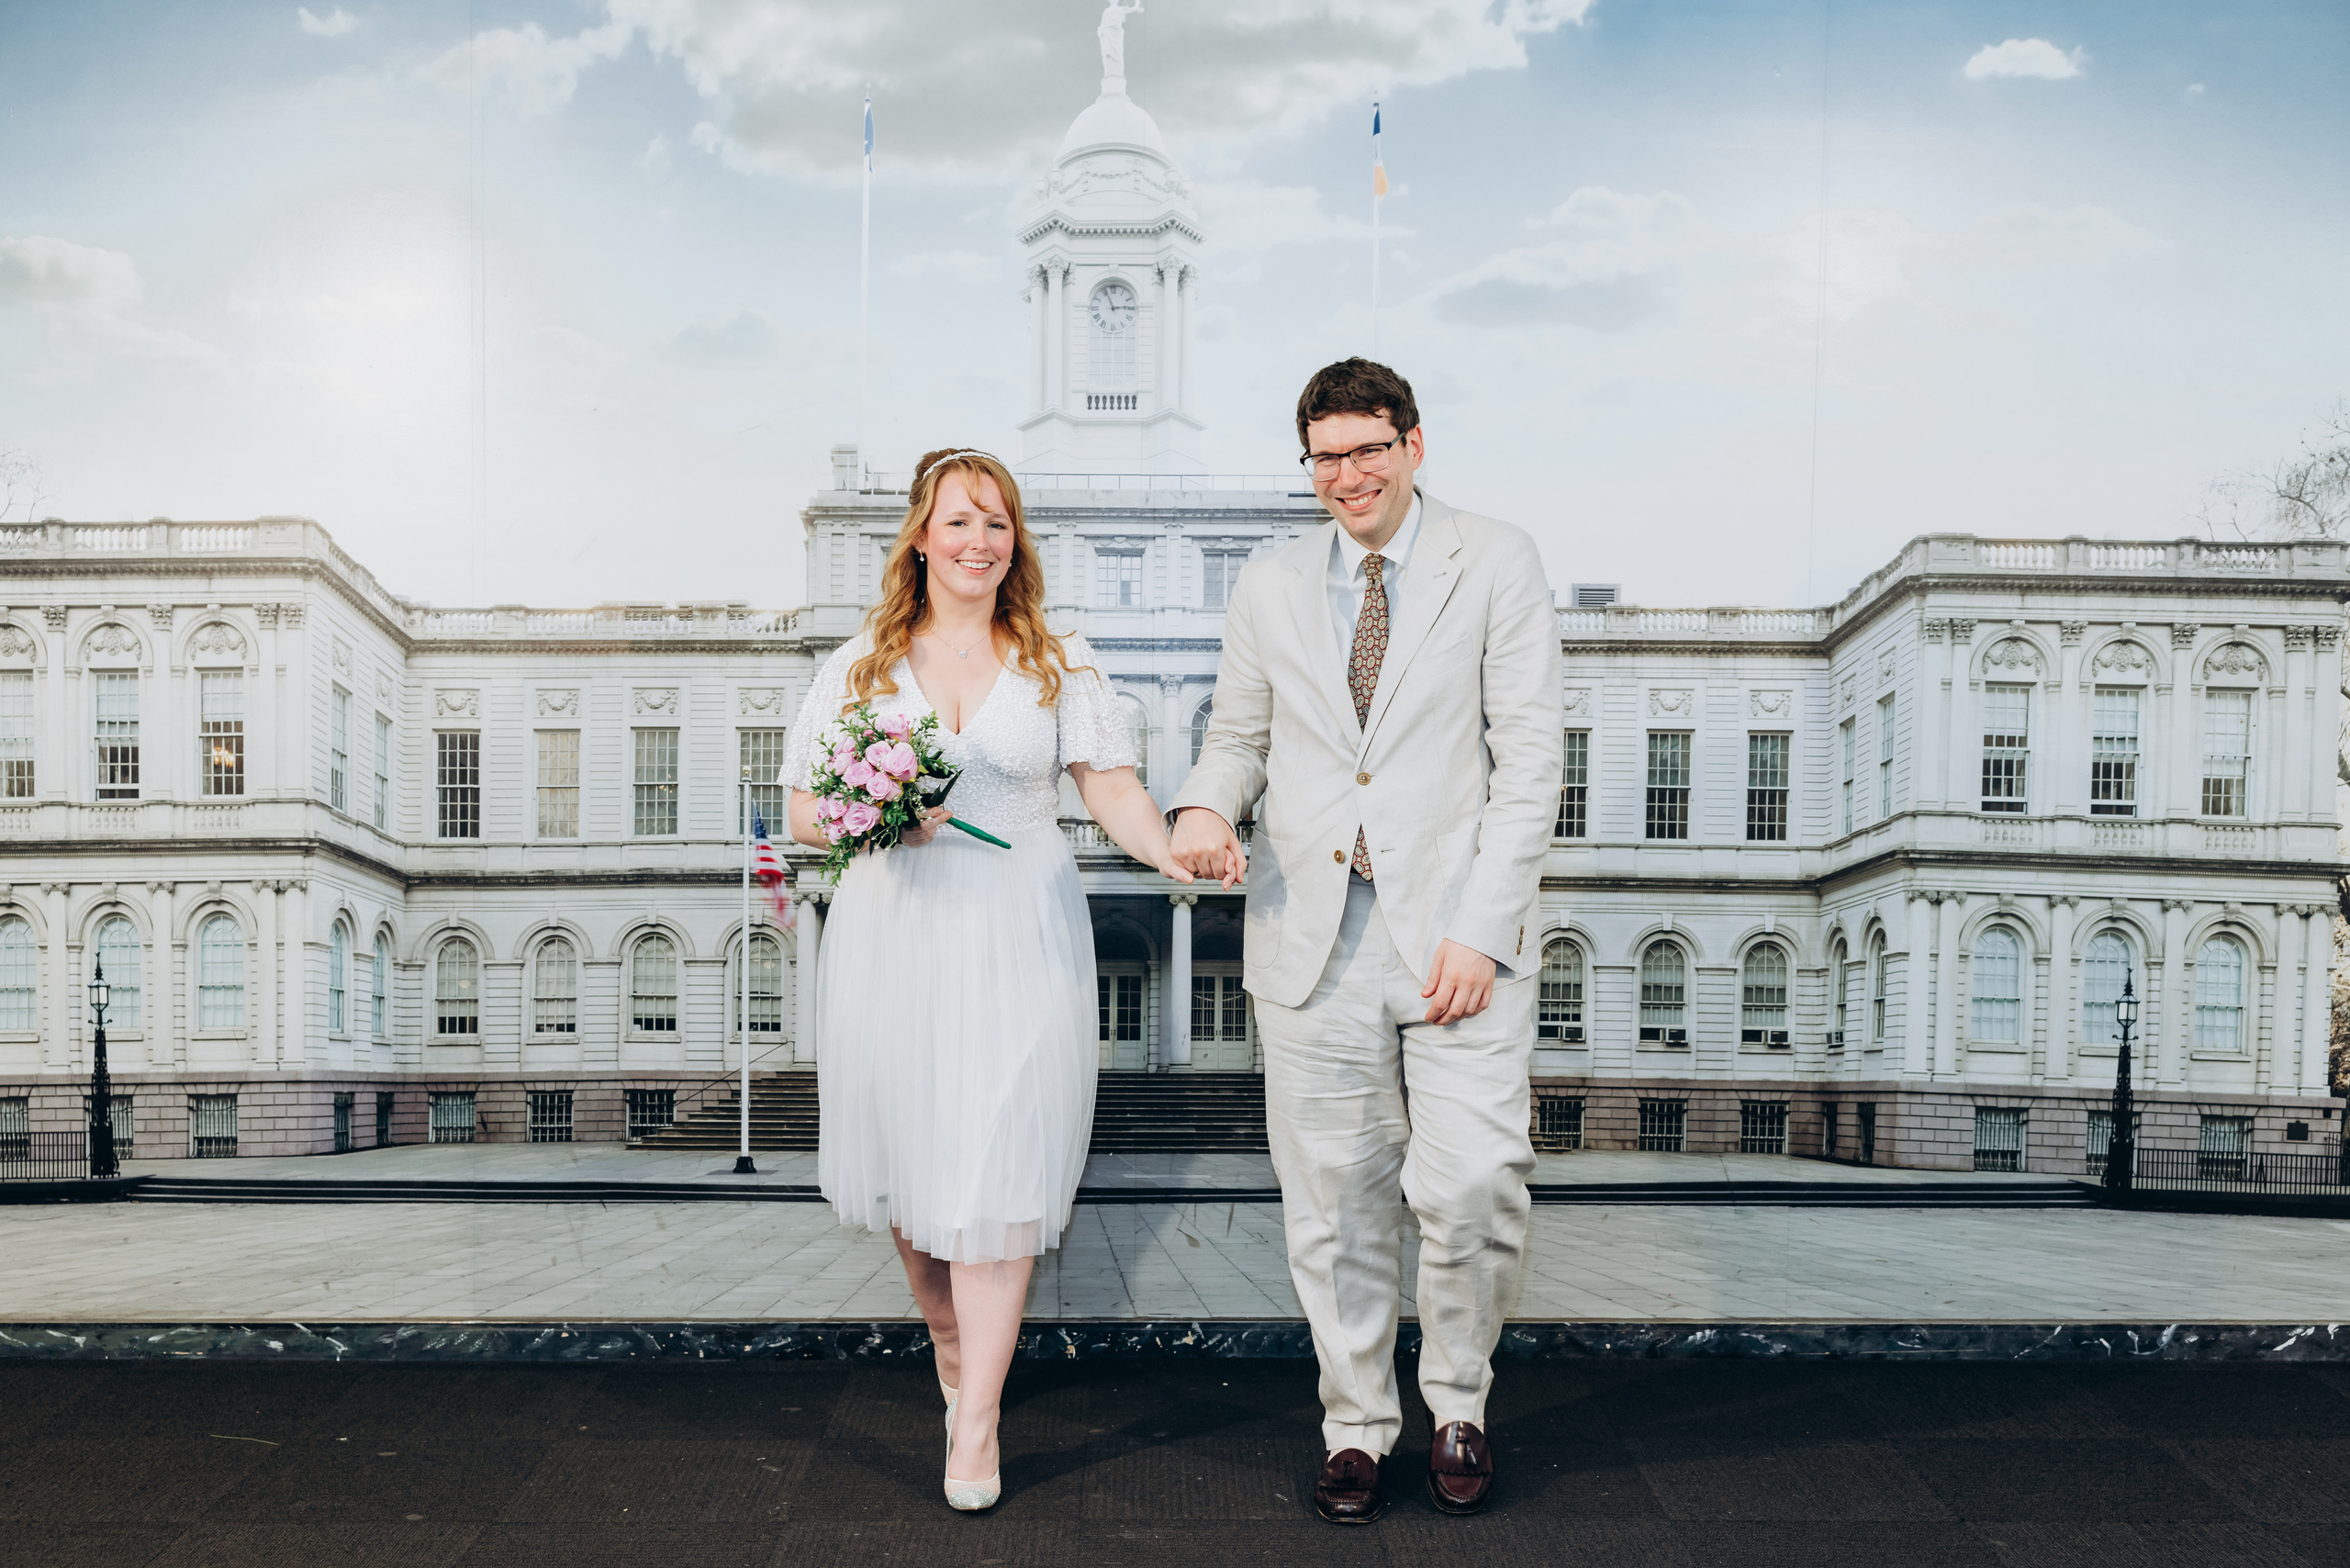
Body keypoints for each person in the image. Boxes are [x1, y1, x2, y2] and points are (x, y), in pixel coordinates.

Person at [1169, 360, 1561, 1524]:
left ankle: (1459, 1403)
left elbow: (1529, 759)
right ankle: (1354, 1423)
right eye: (1325, 457)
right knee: (1333, 1203)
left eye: (1367, 450)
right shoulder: (1269, 582)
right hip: (1311, 933)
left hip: (1453, 937)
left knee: (1474, 1183)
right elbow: (1239, 736)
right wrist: (1202, 807)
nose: (1346, 475)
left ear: (1413, 444)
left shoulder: (1496, 558)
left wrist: (1481, 930)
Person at [782, 448, 1192, 1513]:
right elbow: (802, 813)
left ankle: (975, 1423)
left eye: (998, 523)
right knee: (917, 1190)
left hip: (1020, 933)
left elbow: (1112, 790)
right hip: (896, 936)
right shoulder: (859, 664)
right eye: (960, 521)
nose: (979, 541)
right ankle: (953, 1343)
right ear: (921, 537)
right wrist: (877, 813)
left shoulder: (1059, 660)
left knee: (999, 1177)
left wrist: (1173, 850)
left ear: (1016, 542)